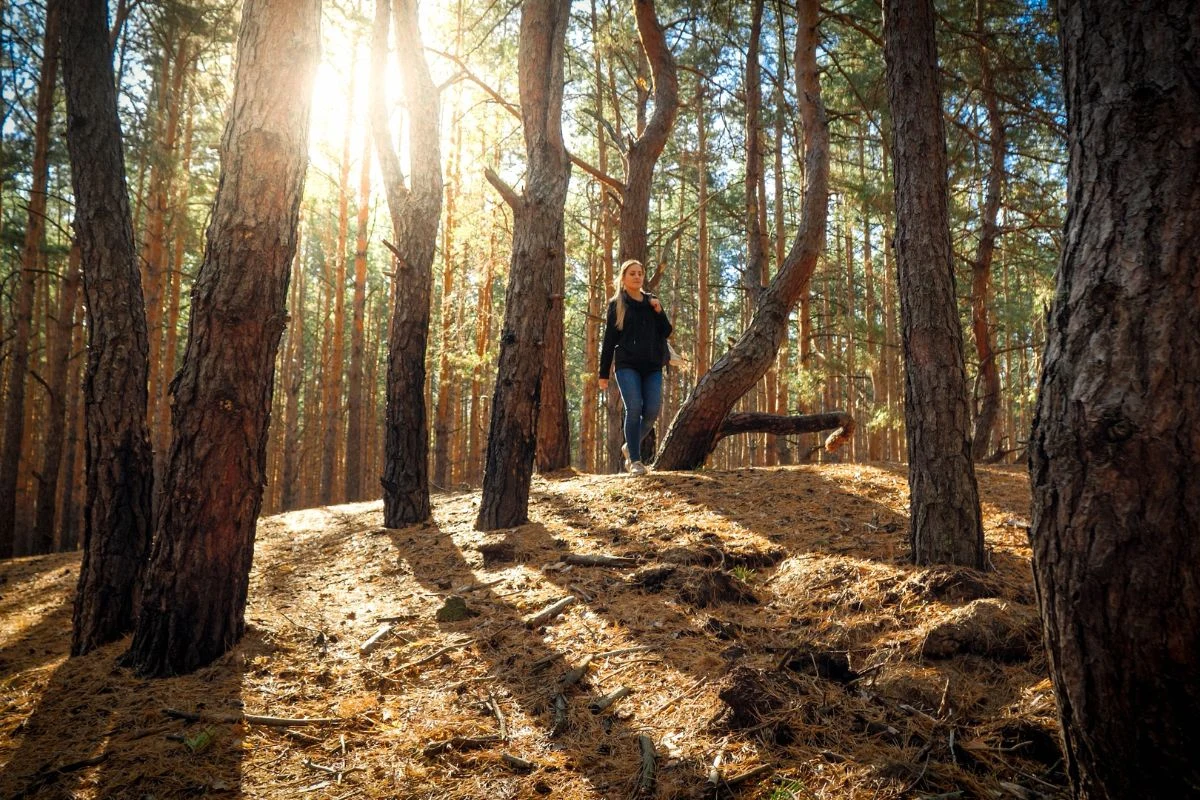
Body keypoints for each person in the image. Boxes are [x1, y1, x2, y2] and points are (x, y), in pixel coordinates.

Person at [598, 259, 673, 475]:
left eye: (640, 273)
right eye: (632, 273)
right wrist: (603, 374)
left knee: (651, 410)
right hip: (626, 365)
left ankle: (628, 446)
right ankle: (635, 461)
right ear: (623, 278)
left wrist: (659, 311)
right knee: (634, 407)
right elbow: (609, 341)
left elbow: (666, 331)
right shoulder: (617, 305)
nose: (637, 277)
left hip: (652, 365)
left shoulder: (652, 302)